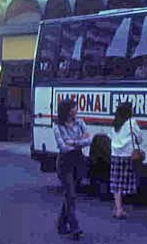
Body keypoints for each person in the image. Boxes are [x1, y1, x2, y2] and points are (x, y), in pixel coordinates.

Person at [53, 98, 91, 240]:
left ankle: (61, 223)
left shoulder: (80, 122)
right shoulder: (58, 126)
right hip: (64, 163)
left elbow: (89, 139)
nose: (76, 110)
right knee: (71, 194)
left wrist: (73, 142)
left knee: (70, 194)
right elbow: (63, 146)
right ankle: (74, 227)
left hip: (78, 161)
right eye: (74, 108)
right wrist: (80, 141)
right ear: (67, 111)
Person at [109, 102, 143, 219]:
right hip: (127, 156)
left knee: (116, 183)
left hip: (115, 155)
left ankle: (118, 208)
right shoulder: (131, 123)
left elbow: (112, 136)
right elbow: (139, 138)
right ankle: (122, 207)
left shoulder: (115, 123)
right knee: (126, 180)